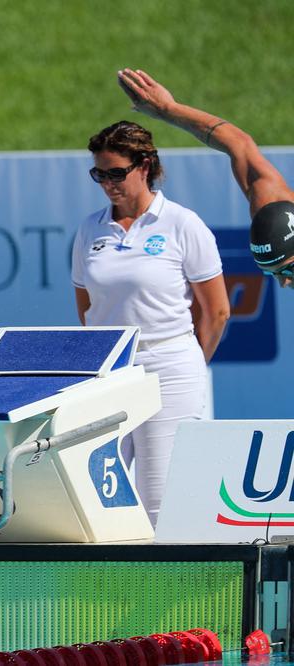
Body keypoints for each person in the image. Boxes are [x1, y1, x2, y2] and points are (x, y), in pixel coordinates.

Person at [70, 120, 230, 526]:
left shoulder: (182, 223)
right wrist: (104, 367)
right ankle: (104, 589)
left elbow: (217, 311)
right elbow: (87, 308)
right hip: (110, 371)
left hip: (170, 368)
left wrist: (187, 362)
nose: (107, 183)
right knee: (94, 498)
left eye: (116, 173)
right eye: (99, 174)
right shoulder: (90, 229)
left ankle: (167, 589)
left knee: (160, 502)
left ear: (145, 165)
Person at [117, 68, 294, 287]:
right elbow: (238, 144)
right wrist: (168, 109)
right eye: (273, 273)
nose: (284, 283)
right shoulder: (269, 203)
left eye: (289, 269)